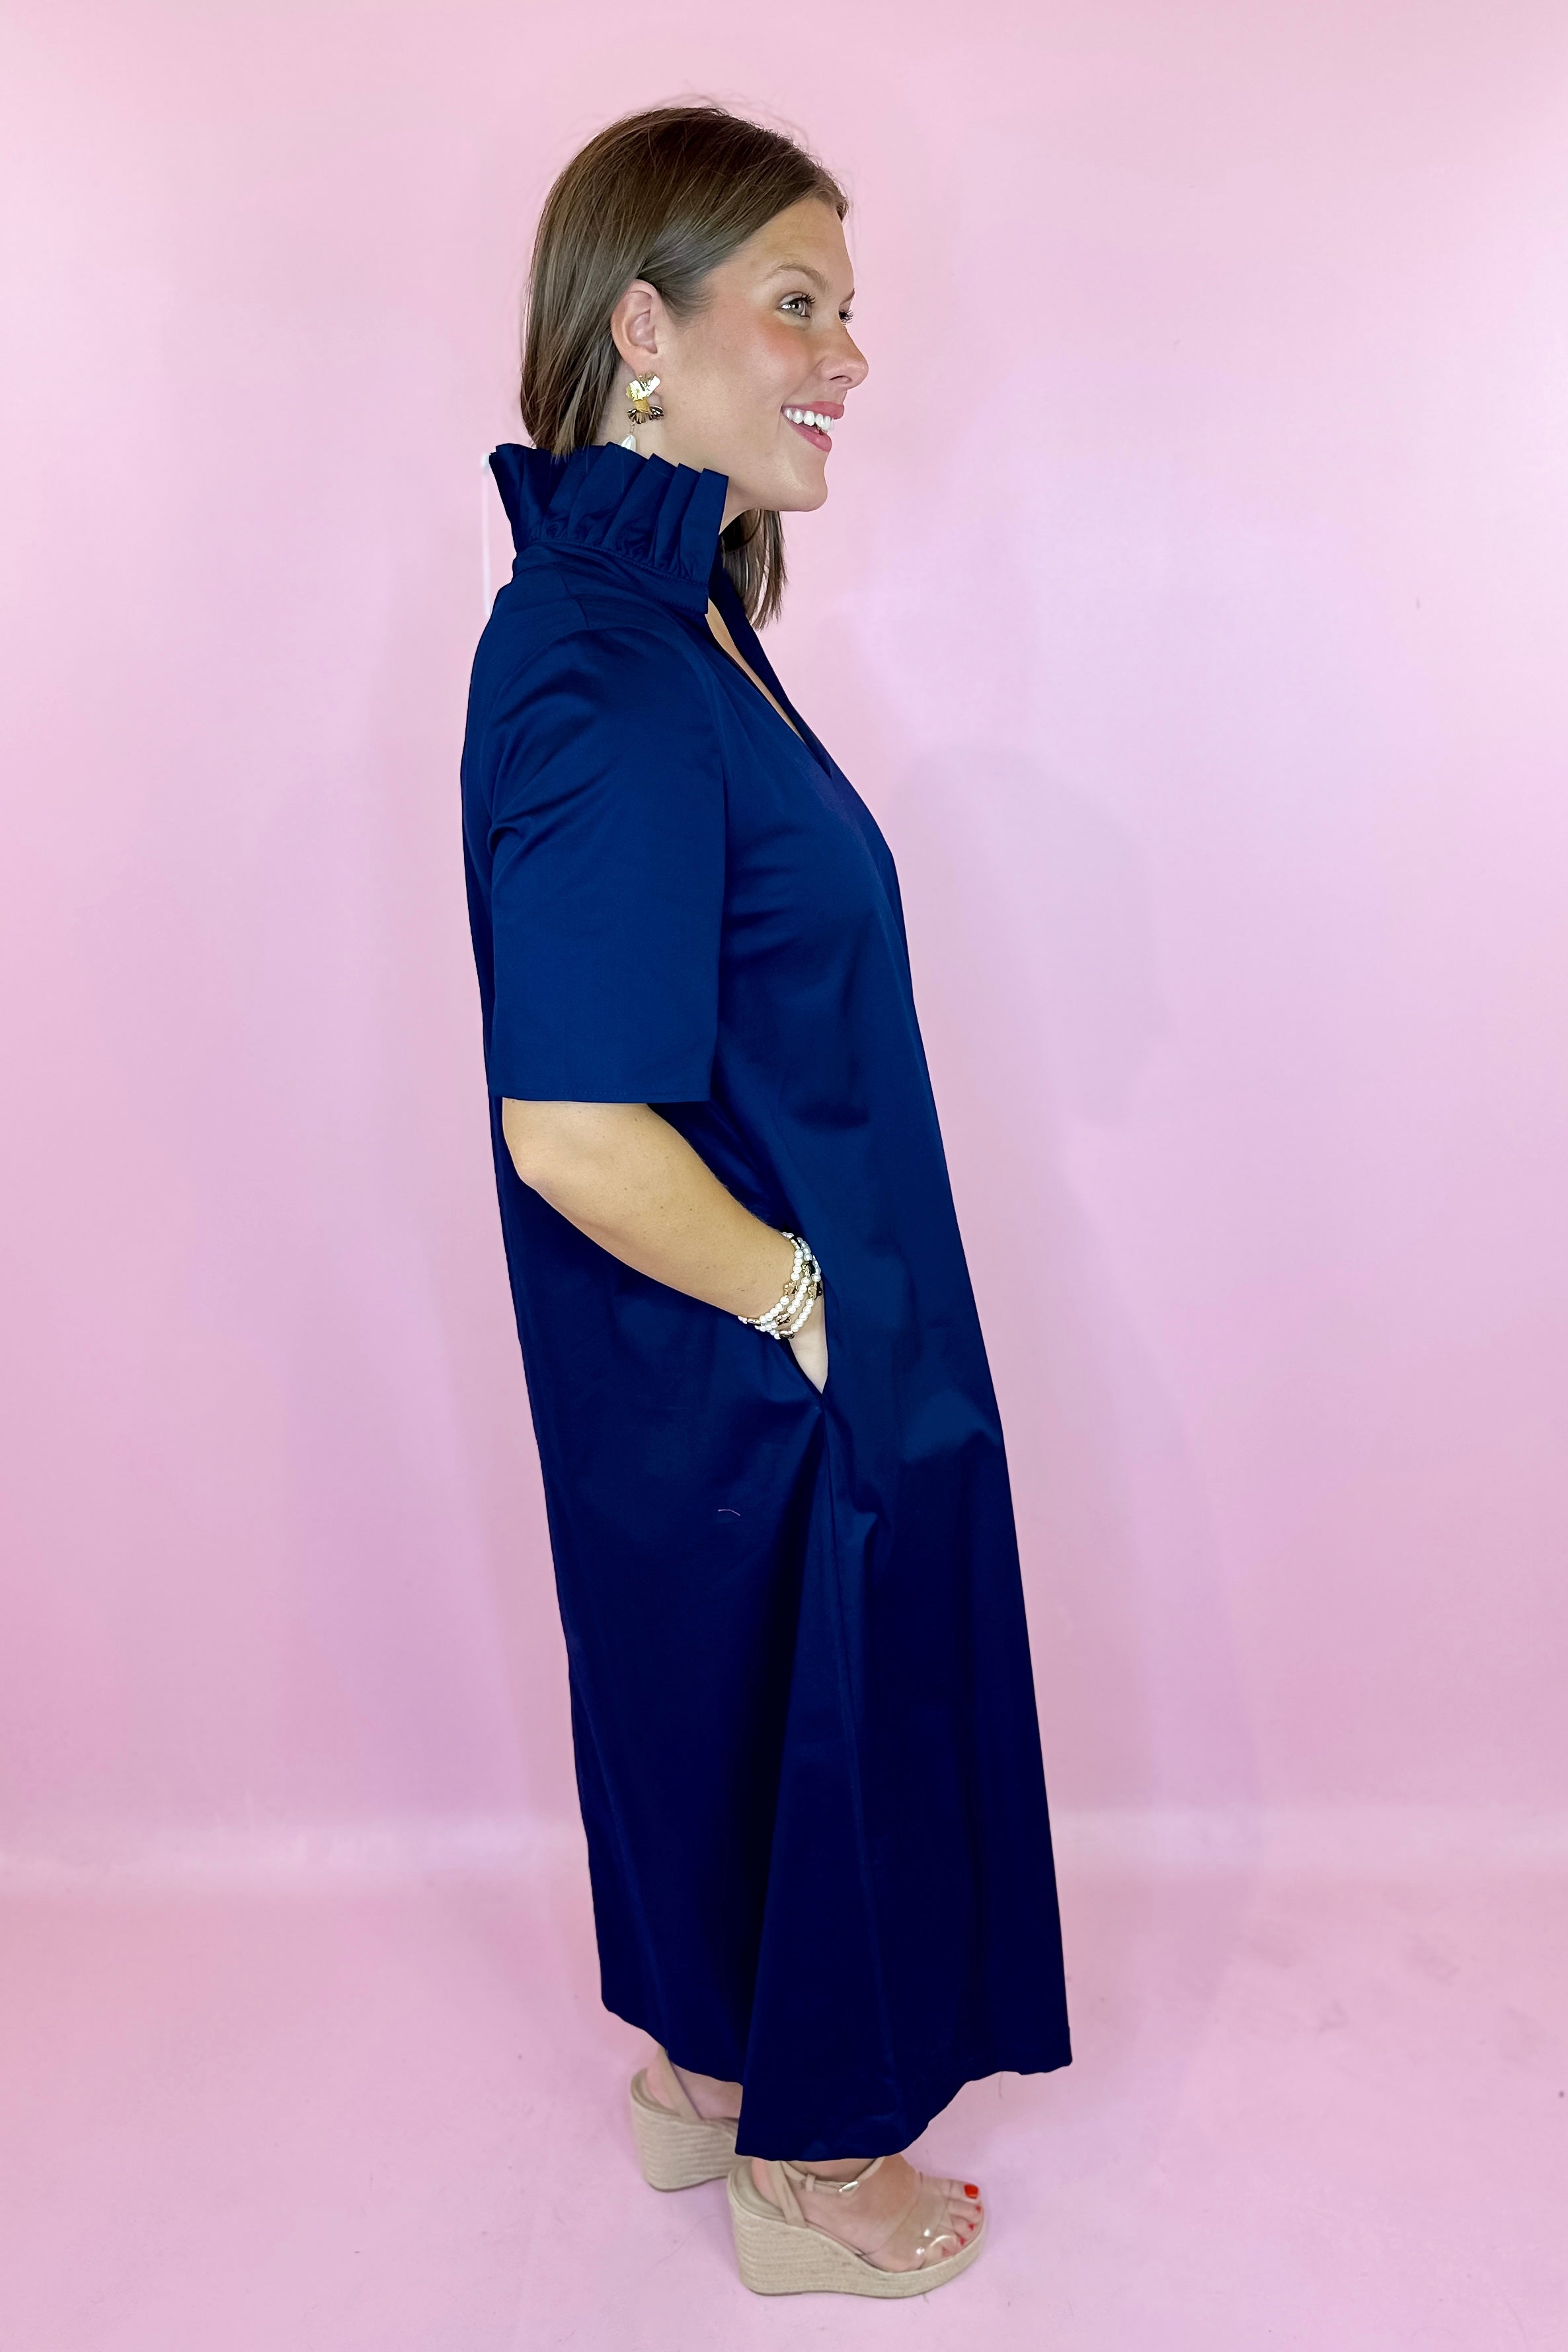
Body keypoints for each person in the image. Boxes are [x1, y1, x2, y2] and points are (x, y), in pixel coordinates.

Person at [460, 102, 1071, 2300]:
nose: (847, 356)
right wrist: (805, 1298)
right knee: (804, 1722)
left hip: (727, 1368)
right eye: (794, 303)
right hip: (751, 1361)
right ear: (641, 330)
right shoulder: (605, 666)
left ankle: (707, 2077)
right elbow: (570, 1124)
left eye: (848, 309)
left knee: (718, 1714)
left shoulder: (669, 621)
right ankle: (811, 2176)